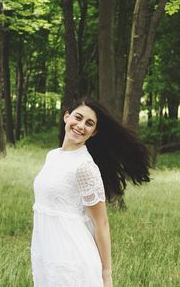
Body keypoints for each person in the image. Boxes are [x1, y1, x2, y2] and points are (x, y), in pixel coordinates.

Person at [31, 98, 150, 287]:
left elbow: (101, 223)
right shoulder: (53, 156)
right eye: (78, 118)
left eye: (89, 123)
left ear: (94, 132)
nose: (81, 126)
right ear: (66, 117)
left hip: (72, 260)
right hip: (47, 254)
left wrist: (107, 275)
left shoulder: (85, 167)